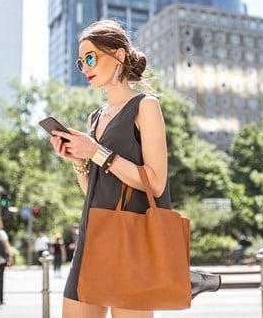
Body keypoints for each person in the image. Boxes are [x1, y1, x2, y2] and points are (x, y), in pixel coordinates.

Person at [49, 19, 175, 318]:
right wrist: (79, 160)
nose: (85, 67)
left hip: (133, 241)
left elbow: (155, 183)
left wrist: (97, 152)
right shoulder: (94, 118)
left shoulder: (146, 106)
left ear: (118, 55)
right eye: (81, 62)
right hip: (95, 235)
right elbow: (94, 191)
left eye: (90, 57)